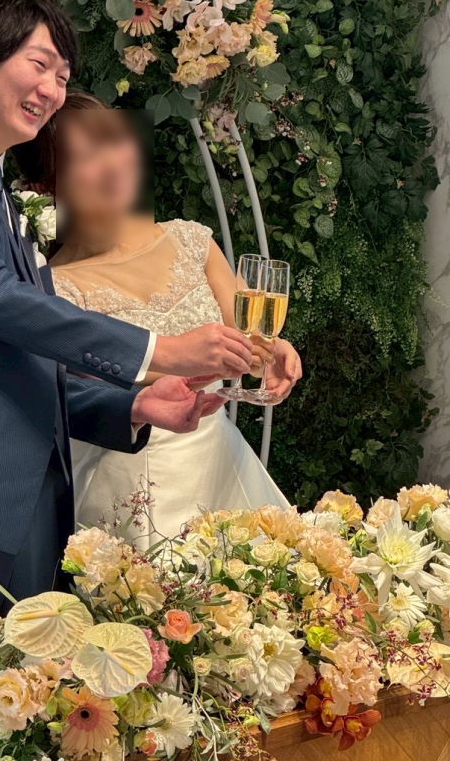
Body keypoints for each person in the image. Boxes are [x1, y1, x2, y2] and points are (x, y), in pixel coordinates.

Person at [0, 0, 255, 655]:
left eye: (63, 77)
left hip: (31, 509)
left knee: (18, 710)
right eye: (40, 65)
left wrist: (133, 404)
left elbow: (19, 358)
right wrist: (160, 349)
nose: (53, 90)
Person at [34, 91, 301, 548]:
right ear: (50, 183)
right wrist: (195, 360)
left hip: (220, 464)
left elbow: (248, 340)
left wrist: (272, 352)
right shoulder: (54, 287)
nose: (113, 165)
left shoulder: (191, 240)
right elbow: (84, 392)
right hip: (133, 486)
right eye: (88, 156)